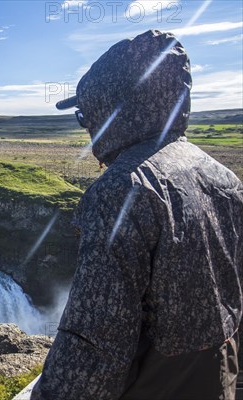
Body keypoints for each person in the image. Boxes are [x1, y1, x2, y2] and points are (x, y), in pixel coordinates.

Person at [31, 30, 243, 399]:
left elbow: (94, 344)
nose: (86, 128)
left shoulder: (121, 192)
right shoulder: (223, 178)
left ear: (110, 111)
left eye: (85, 115)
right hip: (217, 379)